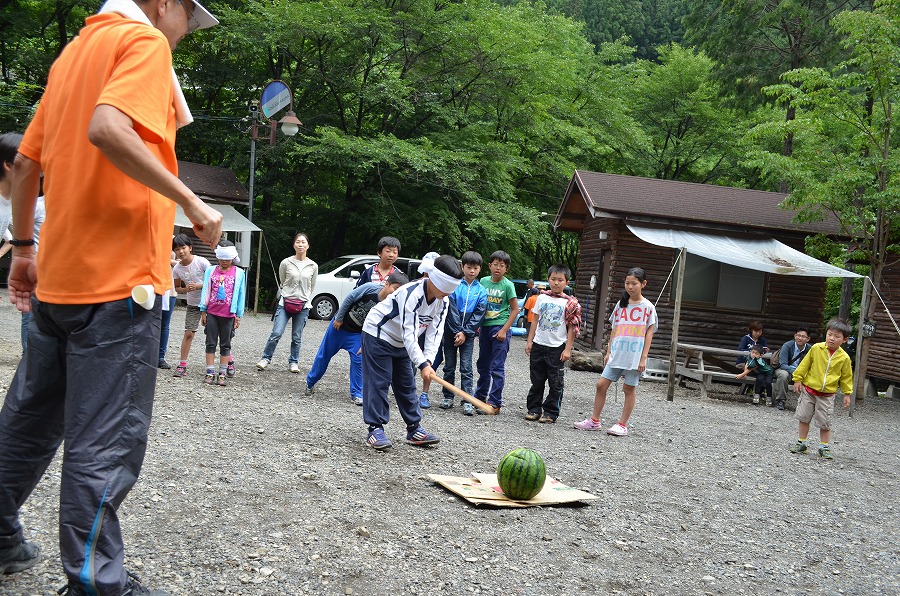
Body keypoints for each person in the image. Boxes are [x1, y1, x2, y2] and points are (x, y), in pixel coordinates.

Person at [0, 0, 223, 593]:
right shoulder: (143, 42)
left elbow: (25, 163)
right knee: (106, 438)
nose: (184, 34)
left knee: (29, 420)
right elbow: (107, 129)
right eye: (187, 21)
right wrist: (194, 203)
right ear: (165, 4)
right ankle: (95, 583)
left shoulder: (75, 52)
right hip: (122, 289)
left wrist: (24, 249)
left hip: (59, 279)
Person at [361, 255, 463, 449]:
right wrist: (422, 364)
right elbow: (410, 334)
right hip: (379, 333)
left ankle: (414, 429)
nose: (447, 294)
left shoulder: (444, 300)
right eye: (445, 289)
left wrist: (429, 362)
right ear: (435, 280)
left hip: (402, 342)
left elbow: (435, 333)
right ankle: (375, 429)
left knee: (406, 383)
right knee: (379, 381)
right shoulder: (411, 293)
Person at [575, 267, 657, 436]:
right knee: (601, 385)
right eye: (627, 283)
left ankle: (622, 424)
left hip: (634, 356)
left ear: (643, 284)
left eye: (634, 283)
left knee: (629, 388)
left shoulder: (648, 307)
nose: (630, 287)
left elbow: (649, 334)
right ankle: (594, 421)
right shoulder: (621, 305)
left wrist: (643, 358)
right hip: (617, 353)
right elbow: (614, 329)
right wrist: (608, 351)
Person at [305, 271, 408, 404]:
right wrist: (339, 318)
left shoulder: (391, 306)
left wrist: (366, 343)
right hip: (339, 327)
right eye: (395, 289)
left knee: (359, 360)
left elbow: (379, 326)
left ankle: (356, 393)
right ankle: (310, 382)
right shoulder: (370, 288)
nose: (396, 294)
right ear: (387, 284)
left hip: (356, 334)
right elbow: (350, 298)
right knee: (324, 355)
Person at [0, 132, 46, 351]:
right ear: (9, 165)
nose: (38, 170)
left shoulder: (10, 202)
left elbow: (11, 239)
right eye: (31, 162)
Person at [790, 318, 853, 460]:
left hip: (827, 394)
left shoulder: (844, 358)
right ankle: (802, 443)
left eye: (837, 336)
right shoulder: (816, 348)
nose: (832, 338)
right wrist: (798, 379)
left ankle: (824, 446)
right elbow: (805, 364)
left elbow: (846, 377)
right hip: (809, 390)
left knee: (825, 421)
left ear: (844, 339)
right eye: (830, 334)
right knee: (804, 417)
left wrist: (847, 394)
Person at [524, 264, 581, 423]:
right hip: (539, 344)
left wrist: (568, 349)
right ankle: (534, 409)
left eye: (560, 280)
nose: (556, 283)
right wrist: (530, 341)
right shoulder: (541, 297)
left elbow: (572, 327)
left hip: (557, 347)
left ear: (567, 283)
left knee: (555, 382)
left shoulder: (570, 303)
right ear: (548, 279)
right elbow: (535, 320)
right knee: (537, 379)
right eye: (553, 279)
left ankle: (550, 412)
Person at [257, 232, 318, 372]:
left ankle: (294, 362)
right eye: (298, 242)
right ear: (294, 244)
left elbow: (311, 286)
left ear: (308, 245)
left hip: (303, 305)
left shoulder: (313, 265)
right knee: (276, 333)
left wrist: (304, 297)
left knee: (297, 336)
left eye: (303, 242)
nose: (300, 244)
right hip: (285, 303)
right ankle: (265, 358)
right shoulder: (286, 262)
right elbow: (282, 280)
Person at [439, 251, 487, 413]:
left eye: (475, 268)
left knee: (466, 367)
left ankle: (467, 399)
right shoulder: (454, 285)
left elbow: (479, 314)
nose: (471, 271)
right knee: (449, 366)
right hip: (450, 331)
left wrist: (465, 332)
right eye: (468, 267)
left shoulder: (481, 290)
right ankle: (448, 396)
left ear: (480, 269)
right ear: (462, 267)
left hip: (469, 334)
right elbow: (450, 309)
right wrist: (457, 330)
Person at [473, 250, 520, 414]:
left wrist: (504, 330)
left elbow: (515, 310)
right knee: (483, 364)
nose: (498, 268)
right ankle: (479, 398)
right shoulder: (483, 281)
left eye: (502, 265)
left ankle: (494, 402)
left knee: (497, 367)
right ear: (489, 266)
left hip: (500, 327)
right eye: (495, 264)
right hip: (485, 327)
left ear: (506, 269)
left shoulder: (508, 285)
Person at [200, 241, 246, 386]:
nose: (225, 262)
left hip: (228, 314)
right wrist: (203, 310)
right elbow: (206, 290)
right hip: (212, 312)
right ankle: (210, 371)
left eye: (228, 259)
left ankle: (222, 373)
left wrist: (238, 315)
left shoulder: (239, 273)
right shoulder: (210, 271)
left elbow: (241, 294)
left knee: (226, 344)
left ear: (233, 258)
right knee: (210, 342)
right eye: (222, 259)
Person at [171, 233, 211, 378]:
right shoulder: (177, 269)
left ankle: (227, 361)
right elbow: (177, 288)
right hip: (193, 304)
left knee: (216, 333)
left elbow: (215, 280)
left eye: (183, 247)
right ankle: (182, 364)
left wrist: (199, 286)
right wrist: (186, 289)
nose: (181, 251)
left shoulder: (202, 262)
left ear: (190, 247)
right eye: (177, 249)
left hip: (210, 303)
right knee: (189, 333)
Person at [413, 252, 442, 408]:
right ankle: (409, 392)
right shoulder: (413, 290)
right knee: (408, 363)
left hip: (428, 331)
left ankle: (424, 394)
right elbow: (407, 334)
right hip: (411, 334)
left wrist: (427, 361)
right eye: (426, 272)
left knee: (431, 363)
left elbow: (436, 330)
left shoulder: (443, 297)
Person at [772, 326, 811, 410]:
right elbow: (783, 364)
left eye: (803, 336)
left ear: (808, 339)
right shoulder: (787, 346)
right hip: (785, 369)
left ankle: (805, 404)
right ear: (794, 336)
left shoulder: (810, 349)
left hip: (801, 372)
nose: (800, 338)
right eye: (798, 335)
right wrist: (797, 372)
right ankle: (780, 400)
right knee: (783, 375)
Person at [157, 250, 178, 369]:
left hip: (169, 292)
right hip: (151, 291)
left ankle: (160, 357)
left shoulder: (171, 252)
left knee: (164, 325)